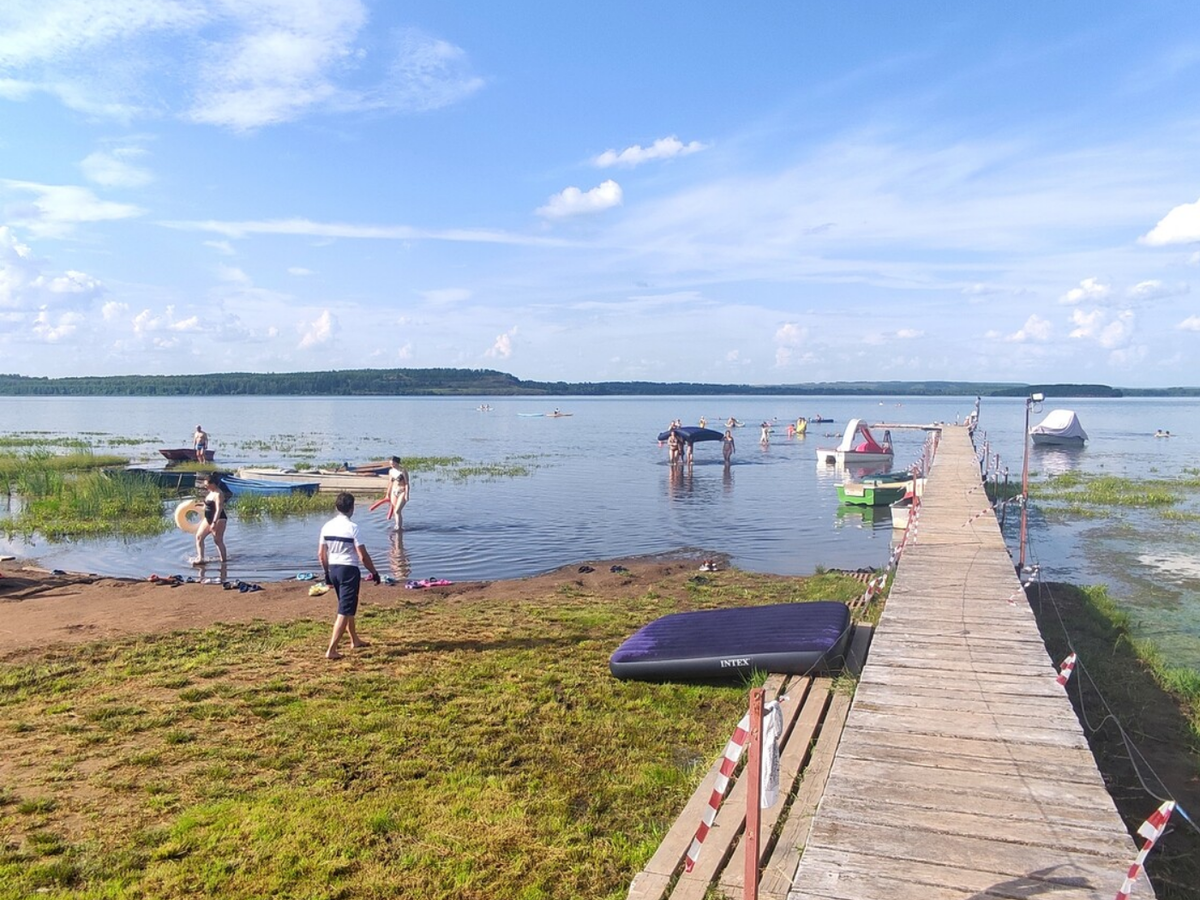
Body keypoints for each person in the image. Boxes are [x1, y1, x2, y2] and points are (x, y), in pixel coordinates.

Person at [317, 492, 380, 660]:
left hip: (333, 569)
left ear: (337, 507)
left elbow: (321, 554)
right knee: (344, 610)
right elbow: (363, 556)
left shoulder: (327, 526)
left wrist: (327, 574)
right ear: (352, 508)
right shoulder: (353, 528)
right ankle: (332, 650)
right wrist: (374, 572)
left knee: (347, 606)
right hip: (348, 571)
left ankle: (355, 640)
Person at [193, 473, 229, 564]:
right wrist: (201, 505)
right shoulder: (210, 492)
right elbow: (208, 505)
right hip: (208, 518)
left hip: (219, 519)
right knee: (199, 537)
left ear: (213, 484)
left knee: (218, 540)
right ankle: (200, 559)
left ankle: (223, 562)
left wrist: (214, 522)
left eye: (207, 484)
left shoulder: (219, 494)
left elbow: (219, 509)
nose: (205, 486)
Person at [388, 456, 410, 530]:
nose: (391, 465)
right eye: (390, 463)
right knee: (395, 511)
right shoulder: (391, 471)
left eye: (393, 463)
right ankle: (397, 525)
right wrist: (388, 494)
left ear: (396, 463)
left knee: (397, 510)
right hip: (394, 491)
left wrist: (407, 494)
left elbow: (407, 483)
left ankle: (399, 527)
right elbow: (390, 483)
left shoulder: (403, 471)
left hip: (402, 491)